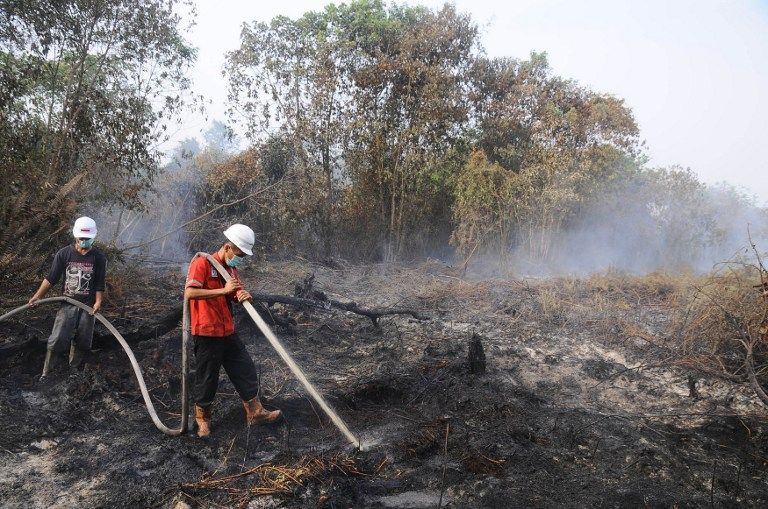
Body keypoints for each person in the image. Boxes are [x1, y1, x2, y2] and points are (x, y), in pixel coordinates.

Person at [185, 223, 281, 438]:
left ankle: (255, 412)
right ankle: (203, 420)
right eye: (239, 254)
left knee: (245, 368)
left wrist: (241, 295)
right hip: (207, 332)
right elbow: (190, 293)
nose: (240, 259)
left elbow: (233, 293)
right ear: (228, 247)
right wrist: (223, 290)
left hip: (227, 330)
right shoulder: (202, 263)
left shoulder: (231, 269)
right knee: (207, 378)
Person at [29, 216, 107, 379]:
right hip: (67, 303)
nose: (84, 241)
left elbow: (100, 283)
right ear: (75, 236)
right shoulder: (64, 254)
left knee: (83, 340)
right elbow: (51, 278)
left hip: (88, 306)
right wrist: (37, 296)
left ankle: (74, 371)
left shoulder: (99, 258)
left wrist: (98, 301)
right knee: (58, 338)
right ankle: (47, 373)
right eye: (81, 238)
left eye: (87, 239)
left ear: (93, 237)